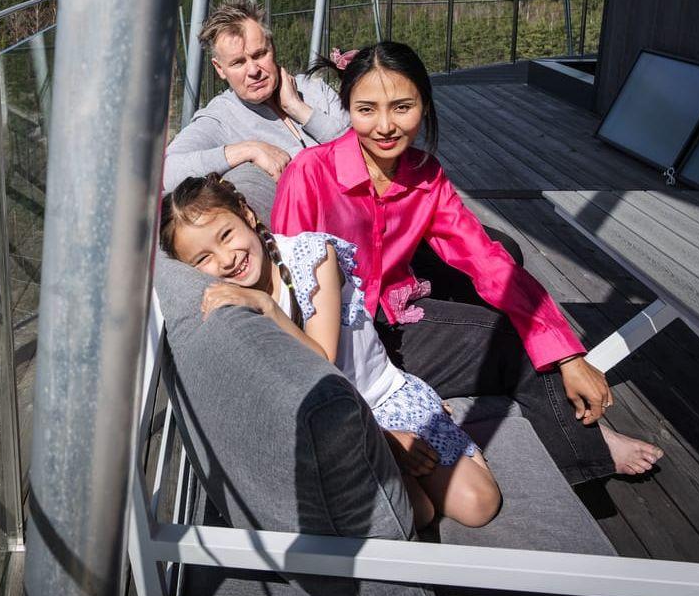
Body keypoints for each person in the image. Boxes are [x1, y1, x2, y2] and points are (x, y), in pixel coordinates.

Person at [273, 42, 664, 482]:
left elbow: (484, 258)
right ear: (348, 109)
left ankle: (572, 438)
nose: (384, 126)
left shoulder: (425, 173)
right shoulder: (309, 172)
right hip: (341, 338)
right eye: (367, 110)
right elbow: (288, 284)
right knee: (509, 341)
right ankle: (587, 451)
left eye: (402, 107)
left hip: (397, 315)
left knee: (507, 274)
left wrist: (569, 354)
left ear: (424, 104)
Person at [161, 173, 502, 529]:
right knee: (418, 512)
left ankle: (433, 425)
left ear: (246, 215)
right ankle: (393, 455)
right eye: (203, 258)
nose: (226, 259)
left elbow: (321, 359)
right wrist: (383, 443)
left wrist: (267, 306)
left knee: (479, 504)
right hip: (344, 429)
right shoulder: (231, 300)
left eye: (226, 235)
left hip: (383, 396)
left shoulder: (312, 256)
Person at [163, 0, 348, 193]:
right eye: (238, 63)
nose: (253, 71)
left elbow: (360, 147)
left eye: (259, 54)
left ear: (273, 47)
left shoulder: (314, 89)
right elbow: (165, 172)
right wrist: (249, 150)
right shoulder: (219, 119)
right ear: (219, 68)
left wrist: (298, 108)